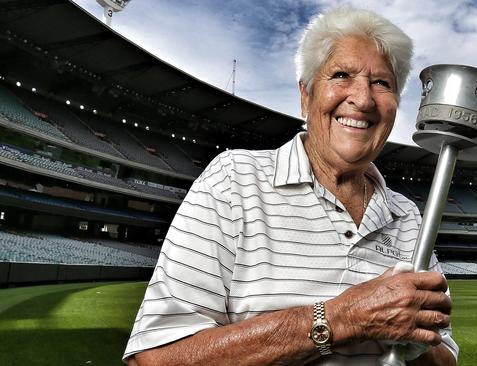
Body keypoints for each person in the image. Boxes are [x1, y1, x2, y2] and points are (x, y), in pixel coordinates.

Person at [123, 7, 458, 366]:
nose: (362, 99)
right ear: (306, 95)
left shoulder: (407, 216)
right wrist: (340, 319)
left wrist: (419, 338)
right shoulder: (234, 179)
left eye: (382, 83)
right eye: (342, 75)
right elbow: (156, 358)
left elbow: (444, 358)